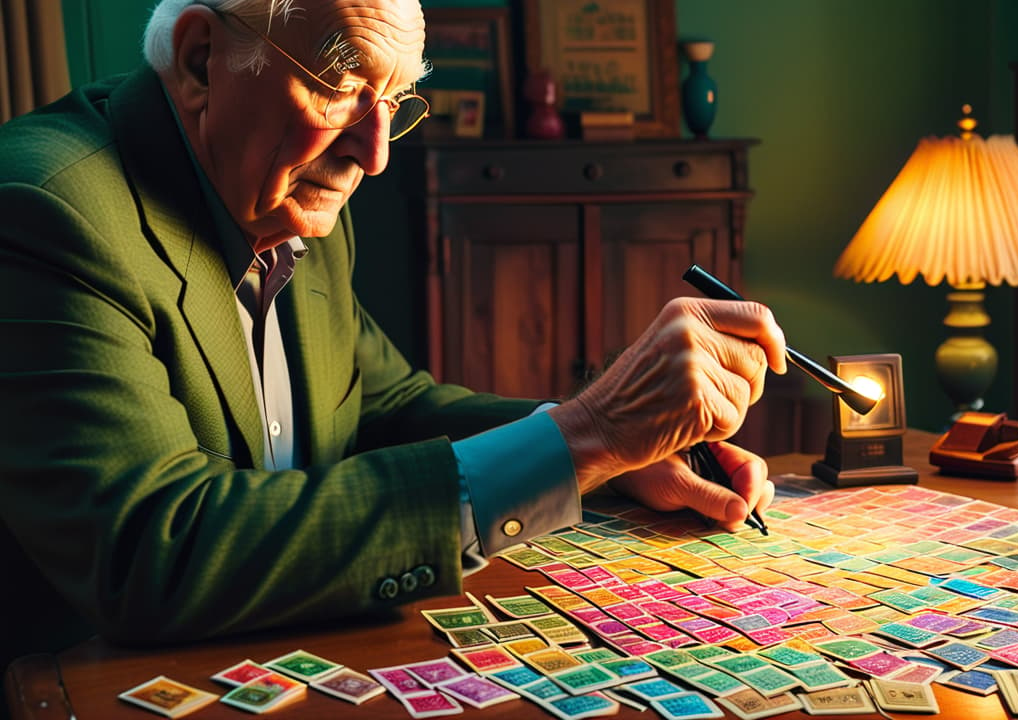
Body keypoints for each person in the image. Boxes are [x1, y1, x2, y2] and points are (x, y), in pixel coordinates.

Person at [0, 0, 787, 676]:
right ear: (203, 58)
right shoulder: (43, 210)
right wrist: (586, 435)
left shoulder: (286, 189)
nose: (374, 156)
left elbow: (386, 405)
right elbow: (151, 553)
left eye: (396, 102)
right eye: (341, 86)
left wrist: (608, 457)